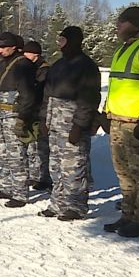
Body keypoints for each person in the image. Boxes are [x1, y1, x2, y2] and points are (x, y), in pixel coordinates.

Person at [37, 27, 100, 221]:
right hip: (55, 122)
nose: (59, 44)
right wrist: (44, 119)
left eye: (63, 40)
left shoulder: (86, 66)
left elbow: (89, 98)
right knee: (56, 166)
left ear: (73, 41)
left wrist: (79, 125)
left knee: (74, 165)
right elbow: (47, 94)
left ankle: (76, 206)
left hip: (72, 124)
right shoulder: (58, 65)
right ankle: (58, 203)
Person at [103, 6, 139, 237]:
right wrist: (105, 112)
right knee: (124, 173)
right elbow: (119, 85)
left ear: (137, 24)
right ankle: (128, 215)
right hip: (118, 121)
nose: (118, 25)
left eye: (123, 21)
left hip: (136, 124)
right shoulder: (122, 49)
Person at [0, 32, 36, 208]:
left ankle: (20, 193)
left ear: (14, 47)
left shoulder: (23, 65)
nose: (0, 50)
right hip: (2, 115)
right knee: (2, 152)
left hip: (15, 115)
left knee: (16, 154)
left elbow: (27, 95)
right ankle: (7, 186)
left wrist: (23, 118)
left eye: (4, 47)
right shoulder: (1, 65)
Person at [23, 40, 52, 191]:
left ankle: (45, 177)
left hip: (41, 111)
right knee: (33, 146)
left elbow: (38, 88)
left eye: (27, 53)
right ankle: (36, 175)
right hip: (34, 111)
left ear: (35, 54)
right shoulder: (33, 67)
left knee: (42, 147)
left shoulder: (44, 69)